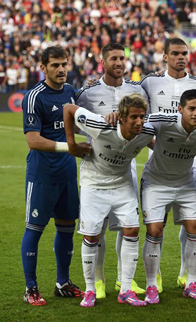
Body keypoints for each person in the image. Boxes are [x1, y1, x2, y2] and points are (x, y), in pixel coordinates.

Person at [64, 94, 154, 307]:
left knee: (132, 230)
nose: (139, 122)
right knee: (92, 235)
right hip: (93, 184)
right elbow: (68, 108)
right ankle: (90, 289)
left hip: (122, 184)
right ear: (121, 117)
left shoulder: (146, 132)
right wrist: (71, 145)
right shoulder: (100, 125)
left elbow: (160, 142)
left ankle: (125, 290)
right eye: (134, 117)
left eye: (142, 116)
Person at [75, 43, 147, 299]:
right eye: (114, 58)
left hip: (126, 167)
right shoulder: (88, 92)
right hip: (98, 166)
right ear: (103, 62)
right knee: (98, 227)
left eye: (122, 58)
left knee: (126, 224)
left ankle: (123, 281)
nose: (119, 62)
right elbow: (76, 122)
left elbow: (145, 121)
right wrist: (78, 144)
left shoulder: (137, 88)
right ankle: (97, 280)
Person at [21, 46, 90, 306]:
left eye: (64, 64)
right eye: (55, 65)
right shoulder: (34, 96)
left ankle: (62, 283)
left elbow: (83, 124)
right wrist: (70, 148)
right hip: (42, 174)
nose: (61, 69)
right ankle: (31, 288)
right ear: (43, 67)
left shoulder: (72, 93)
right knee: (35, 228)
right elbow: (33, 140)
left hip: (66, 174)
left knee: (66, 228)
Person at [141, 89, 196, 304]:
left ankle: (191, 284)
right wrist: (153, 145)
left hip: (185, 182)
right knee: (155, 230)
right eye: (191, 109)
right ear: (180, 109)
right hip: (156, 182)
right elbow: (138, 125)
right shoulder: (162, 121)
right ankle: (151, 285)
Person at [140, 38, 196, 292]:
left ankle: (186, 275)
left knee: (194, 221)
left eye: (184, 53)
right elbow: (142, 117)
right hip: (158, 163)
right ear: (165, 56)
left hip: (191, 164)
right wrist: (153, 143)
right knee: (157, 225)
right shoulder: (150, 82)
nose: (181, 57)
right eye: (175, 53)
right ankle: (153, 279)